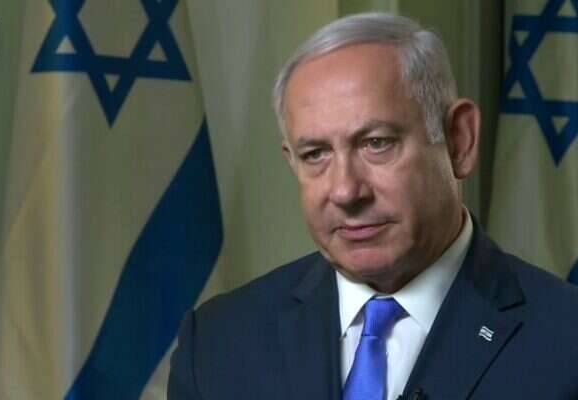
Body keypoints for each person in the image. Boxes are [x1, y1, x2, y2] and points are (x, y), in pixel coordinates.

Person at [168, 12, 578, 400]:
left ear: (459, 141)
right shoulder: (217, 345)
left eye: (376, 143)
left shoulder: (566, 341)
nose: (346, 191)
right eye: (315, 154)